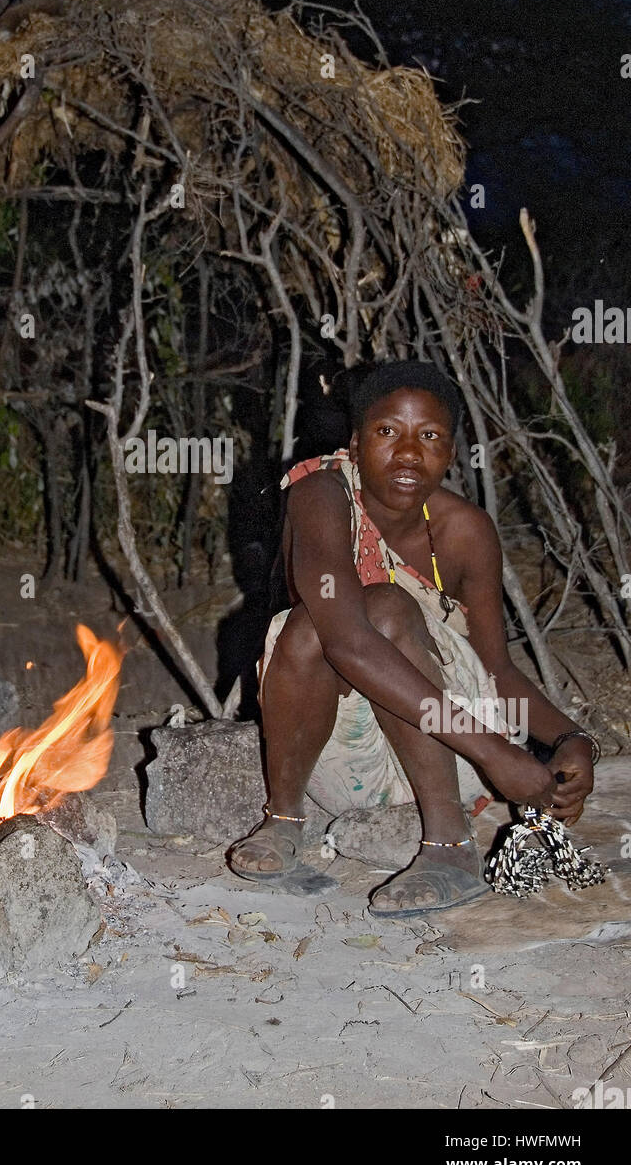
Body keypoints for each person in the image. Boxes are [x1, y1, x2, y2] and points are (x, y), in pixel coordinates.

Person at [229, 360, 598, 916]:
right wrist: (497, 753)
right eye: (386, 433)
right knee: (325, 619)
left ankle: (449, 847)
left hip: (452, 759)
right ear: (354, 443)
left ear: (450, 454)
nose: (407, 453)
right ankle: (284, 819)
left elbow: (497, 670)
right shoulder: (321, 497)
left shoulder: (464, 531)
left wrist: (571, 739)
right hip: (340, 765)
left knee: (386, 607)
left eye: (429, 437)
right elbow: (347, 640)